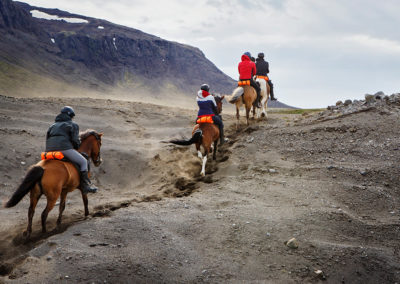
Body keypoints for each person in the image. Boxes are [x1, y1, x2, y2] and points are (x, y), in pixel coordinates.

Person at [45, 106, 98, 193]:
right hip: (64, 149)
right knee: (84, 161)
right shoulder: (73, 125)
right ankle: (85, 186)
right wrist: (76, 147)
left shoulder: (52, 126)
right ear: (70, 116)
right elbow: (75, 140)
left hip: (49, 151)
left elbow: (48, 138)